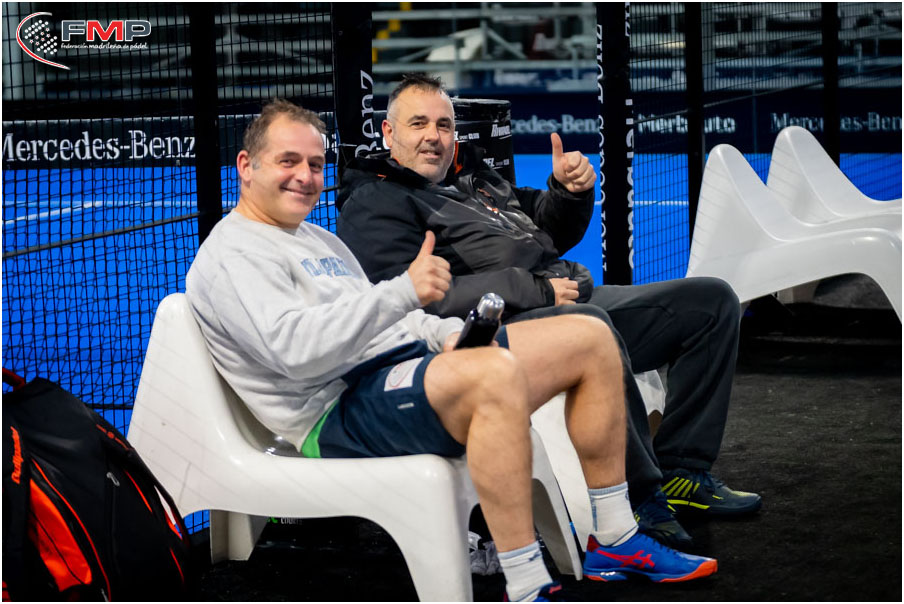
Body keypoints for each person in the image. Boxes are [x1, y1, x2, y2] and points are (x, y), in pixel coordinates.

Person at [185, 99, 718, 601]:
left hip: (401, 371)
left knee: (589, 337)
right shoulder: (235, 253)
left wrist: (444, 334)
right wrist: (402, 293)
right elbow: (296, 353)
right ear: (246, 166)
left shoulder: (315, 241)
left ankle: (616, 537)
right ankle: (527, 582)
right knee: (492, 374)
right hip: (336, 411)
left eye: (315, 164)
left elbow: (391, 319)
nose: (305, 176)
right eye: (288, 161)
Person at [336, 74, 762, 550]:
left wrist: (567, 192)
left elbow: (540, 230)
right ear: (389, 132)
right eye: (418, 124)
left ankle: (683, 469)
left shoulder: (471, 174)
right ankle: (638, 498)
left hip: (561, 297)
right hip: (493, 332)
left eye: (443, 125)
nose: (433, 136)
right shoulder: (374, 202)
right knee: (593, 327)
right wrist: (533, 290)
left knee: (710, 303)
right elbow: (410, 299)